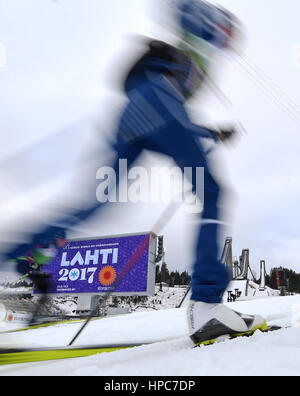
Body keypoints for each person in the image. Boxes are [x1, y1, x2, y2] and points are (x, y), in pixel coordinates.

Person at [3, 0, 266, 340]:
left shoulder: (184, 55)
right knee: (211, 192)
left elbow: (174, 114)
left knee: (94, 205)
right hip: (158, 106)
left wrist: (210, 131)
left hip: (134, 117)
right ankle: (207, 306)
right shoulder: (202, 38)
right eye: (227, 37)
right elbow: (172, 100)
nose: (227, 45)